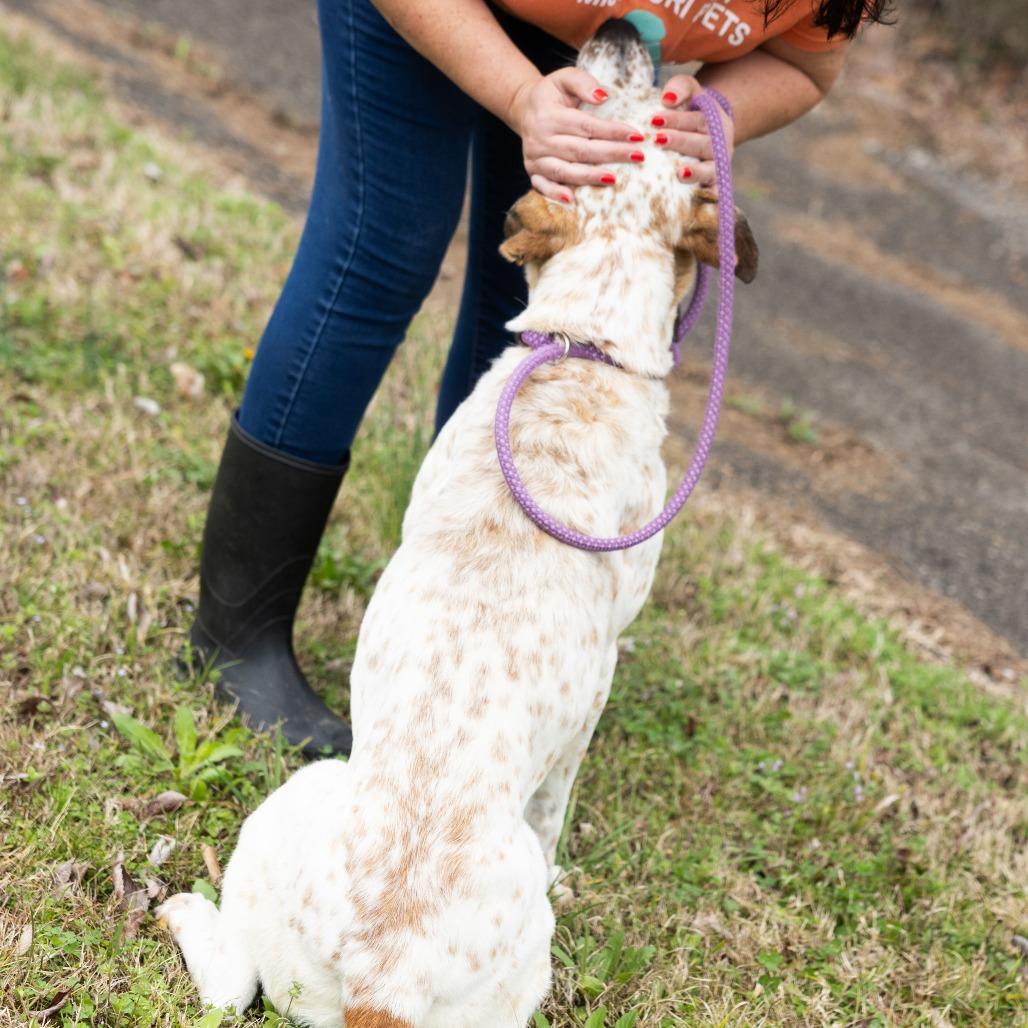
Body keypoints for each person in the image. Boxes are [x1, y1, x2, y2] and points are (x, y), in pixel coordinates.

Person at [186, 0, 892, 756]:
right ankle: (237, 642)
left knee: (521, 288)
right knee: (384, 246)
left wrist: (714, 111)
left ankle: (461, 624)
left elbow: (804, 63)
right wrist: (521, 97)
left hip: (581, 41)